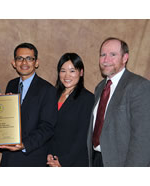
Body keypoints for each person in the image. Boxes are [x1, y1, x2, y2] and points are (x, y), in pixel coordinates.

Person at [87, 37, 150, 167]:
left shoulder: (139, 86)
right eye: (103, 55)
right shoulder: (100, 88)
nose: (106, 60)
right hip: (95, 161)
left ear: (125, 58)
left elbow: (143, 139)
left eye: (113, 54)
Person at [0, 42, 58, 167]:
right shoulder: (11, 84)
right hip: (8, 159)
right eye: (20, 58)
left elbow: (47, 127)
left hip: (32, 158)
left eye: (29, 59)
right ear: (14, 63)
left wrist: (24, 144)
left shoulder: (48, 90)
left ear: (36, 62)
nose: (24, 63)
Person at [47, 53, 94, 167]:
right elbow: (47, 127)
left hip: (73, 161)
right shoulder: (53, 94)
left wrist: (62, 161)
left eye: (72, 71)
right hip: (51, 158)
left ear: (81, 72)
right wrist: (48, 153)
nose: (67, 76)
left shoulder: (87, 98)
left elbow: (83, 136)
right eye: (63, 71)